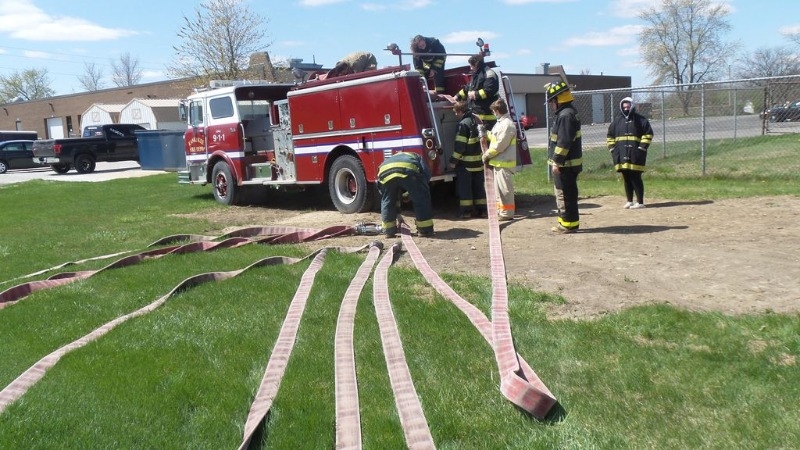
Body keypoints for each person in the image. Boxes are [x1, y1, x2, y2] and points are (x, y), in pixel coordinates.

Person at [545, 81, 582, 233]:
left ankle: (567, 224)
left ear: (558, 100)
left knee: (565, 195)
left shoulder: (565, 115)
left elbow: (564, 141)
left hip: (565, 165)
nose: (550, 105)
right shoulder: (566, 113)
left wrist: (557, 162)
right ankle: (566, 222)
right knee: (566, 194)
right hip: (567, 165)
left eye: (551, 102)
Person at [606, 96, 653, 209]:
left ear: (632, 107)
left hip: (636, 154)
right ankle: (629, 201)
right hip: (621, 154)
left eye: (628, 106)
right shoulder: (617, 121)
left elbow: (648, 134)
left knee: (635, 177)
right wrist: (613, 148)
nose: (626, 108)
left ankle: (640, 202)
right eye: (624, 107)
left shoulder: (641, 120)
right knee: (626, 177)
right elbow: (610, 136)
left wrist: (642, 148)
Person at [377, 151, 434, 238]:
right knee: (421, 198)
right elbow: (426, 174)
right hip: (408, 171)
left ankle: (389, 231)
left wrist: (398, 213)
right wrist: (413, 192)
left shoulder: (390, 159)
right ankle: (424, 230)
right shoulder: (416, 156)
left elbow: (382, 190)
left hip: (384, 173)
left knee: (387, 201)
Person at [480, 98, 517, 221]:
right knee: (499, 191)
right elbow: (495, 137)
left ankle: (507, 213)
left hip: (504, 162)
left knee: (505, 190)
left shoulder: (507, 125)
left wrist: (487, 155)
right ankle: (501, 211)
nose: (493, 113)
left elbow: (500, 145)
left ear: (497, 110)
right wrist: (486, 133)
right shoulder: (501, 123)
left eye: (493, 111)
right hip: (498, 162)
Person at [449, 100, 486, 218]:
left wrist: (453, 161)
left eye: (456, 112)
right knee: (479, 188)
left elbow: (460, 146)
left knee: (465, 189)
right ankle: (482, 211)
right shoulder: (477, 120)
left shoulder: (463, 124)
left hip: (466, 164)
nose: (455, 115)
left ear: (460, 111)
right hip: (478, 163)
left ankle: (467, 212)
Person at [456, 54, 500, 130]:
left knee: (486, 139)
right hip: (476, 116)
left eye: (471, 65)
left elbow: (489, 91)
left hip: (486, 118)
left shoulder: (489, 74)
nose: (470, 68)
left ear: (476, 64)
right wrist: (457, 96)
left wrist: (475, 94)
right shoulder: (476, 74)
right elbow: (468, 88)